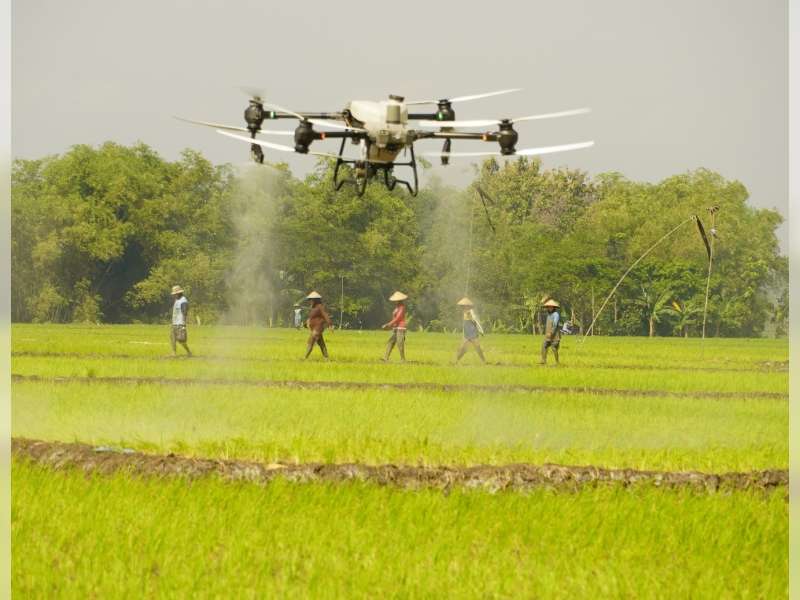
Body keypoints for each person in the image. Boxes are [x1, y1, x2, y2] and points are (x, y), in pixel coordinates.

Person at [455, 297, 486, 364]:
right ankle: (456, 361)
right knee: (463, 349)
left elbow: (476, 321)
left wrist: (481, 330)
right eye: (463, 306)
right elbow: (465, 325)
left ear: (468, 306)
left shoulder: (471, 312)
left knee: (478, 347)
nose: (464, 307)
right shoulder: (464, 312)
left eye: (465, 306)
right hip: (467, 334)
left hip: (473, 333)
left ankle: (484, 361)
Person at [304, 291, 333, 359]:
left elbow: (325, 315)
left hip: (318, 327)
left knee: (311, 340)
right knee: (321, 343)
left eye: (311, 300)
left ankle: (305, 358)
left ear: (315, 300)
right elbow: (311, 317)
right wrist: (306, 323)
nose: (310, 301)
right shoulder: (313, 308)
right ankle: (326, 358)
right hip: (314, 328)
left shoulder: (320, 307)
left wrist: (330, 324)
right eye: (310, 300)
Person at [382, 291, 408, 362]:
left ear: (399, 300)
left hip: (401, 328)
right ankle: (385, 358)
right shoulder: (397, 307)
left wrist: (388, 324)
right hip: (396, 328)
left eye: (396, 300)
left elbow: (398, 318)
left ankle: (403, 359)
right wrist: (391, 326)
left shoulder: (402, 307)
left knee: (400, 343)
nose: (395, 301)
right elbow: (395, 319)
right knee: (390, 342)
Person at [169, 285, 192, 357]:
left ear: (178, 293)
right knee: (172, 337)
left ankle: (188, 352)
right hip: (175, 323)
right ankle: (174, 353)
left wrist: (184, 325)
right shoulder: (177, 300)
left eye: (175, 294)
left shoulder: (183, 301)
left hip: (180, 323)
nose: (174, 295)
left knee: (181, 340)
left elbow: (184, 313)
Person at [540, 298, 561, 365]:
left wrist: (551, 332)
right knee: (544, 345)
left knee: (554, 348)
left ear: (553, 307)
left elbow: (555, 324)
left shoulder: (556, 314)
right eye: (548, 307)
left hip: (555, 335)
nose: (549, 308)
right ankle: (543, 360)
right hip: (548, 335)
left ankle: (557, 362)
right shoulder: (549, 315)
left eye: (551, 307)